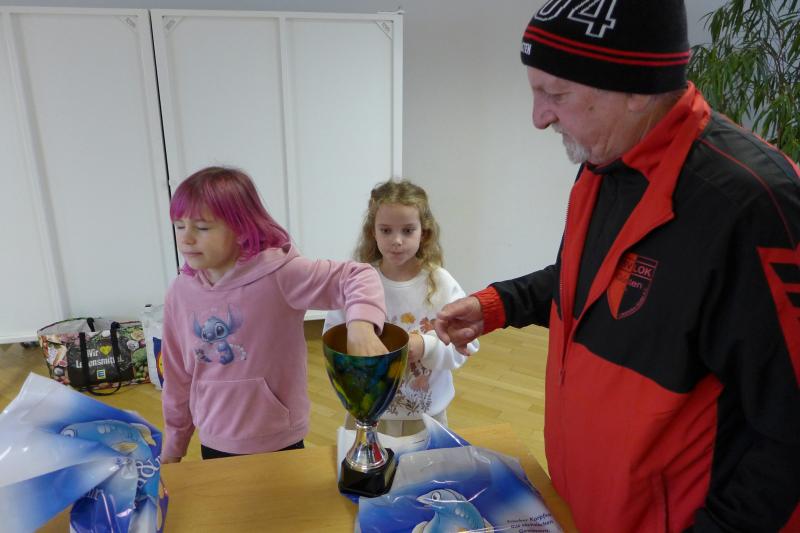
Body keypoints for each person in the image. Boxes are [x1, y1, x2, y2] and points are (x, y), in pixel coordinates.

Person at [435, 2, 800, 532]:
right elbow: (593, 283)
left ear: (637, 89)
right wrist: (497, 305)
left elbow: (788, 435)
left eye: (556, 94)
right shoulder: (605, 164)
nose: (539, 117)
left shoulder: (754, 205)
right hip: (588, 507)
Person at [160, 166, 387, 463]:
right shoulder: (180, 292)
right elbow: (177, 377)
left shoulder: (281, 274)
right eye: (179, 226)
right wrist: (173, 448)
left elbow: (357, 276)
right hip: (214, 438)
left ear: (241, 228)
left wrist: (361, 326)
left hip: (279, 439)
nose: (186, 239)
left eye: (202, 227)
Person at [324, 179, 477, 437]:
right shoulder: (356, 282)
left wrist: (426, 346)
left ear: (424, 233)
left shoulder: (441, 283)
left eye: (407, 230)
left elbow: (467, 344)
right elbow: (334, 339)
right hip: (367, 412)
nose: (396, 240)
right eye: (386, 230)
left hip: (426, 416)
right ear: (372, 232)